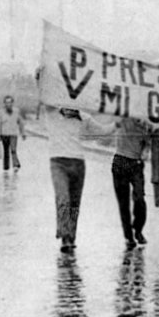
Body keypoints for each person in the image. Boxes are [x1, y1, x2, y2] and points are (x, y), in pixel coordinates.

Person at [44, 105, 117, 253]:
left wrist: (117, 124)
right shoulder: (52, 113)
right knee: (63, 198)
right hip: (58, 162)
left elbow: (102, 131)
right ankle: (65, 236)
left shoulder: (83, 116)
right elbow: (45, 90)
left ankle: (71, 236)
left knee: (74, 202)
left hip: (77, 162)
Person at [112, 117, 152, 249]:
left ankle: (138, 229)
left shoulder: (146, 125)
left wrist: (145, 152)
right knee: (123, 203)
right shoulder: (123, 118)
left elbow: (148, 143)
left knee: (139, 198)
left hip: (136, 163)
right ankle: (129, 236)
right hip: (120, 160)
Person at [0, 95, 26, 172]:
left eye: (10, 102)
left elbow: (21, 122)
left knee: (13, 150)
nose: (8, 104)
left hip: (13, 134)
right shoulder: (0, 112)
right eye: (6, 102)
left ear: (12, 103)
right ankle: (6, 167)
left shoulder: (16, 111)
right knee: (6, 151)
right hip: (4, 134)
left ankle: (15, 165)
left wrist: (23, 133)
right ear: (4, 103)